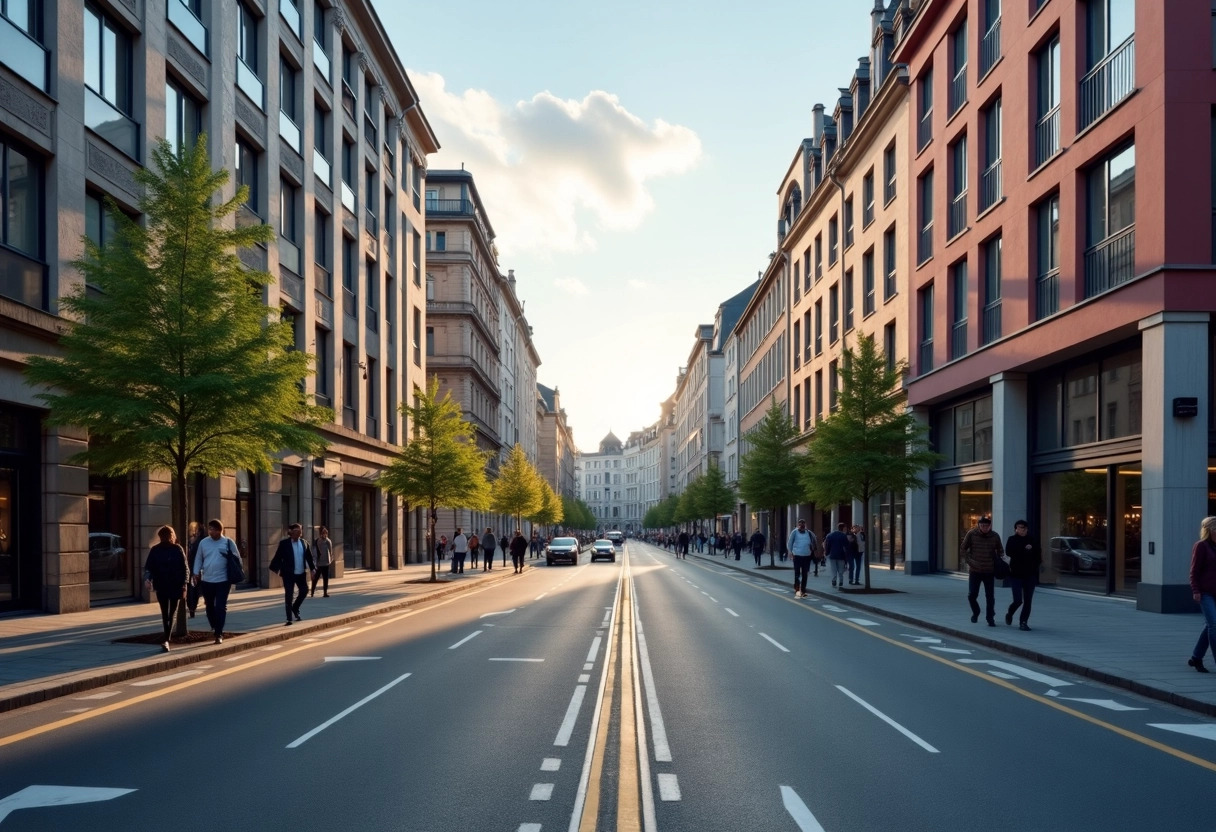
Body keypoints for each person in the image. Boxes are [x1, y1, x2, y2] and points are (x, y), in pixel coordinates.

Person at [192, 519, 239, 644]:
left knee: (221, 607)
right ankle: (214, 625)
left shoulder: (228, 543)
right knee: (209, 606)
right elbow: (198, 558)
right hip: (207, 580)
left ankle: (219, 633)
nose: (210, 531)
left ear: (220, 531)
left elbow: (237, 559)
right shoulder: (204, 543)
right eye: (209, 529)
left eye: (213, 529)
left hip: (223, 580)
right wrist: (196, 572)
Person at [144, 525, 189, 653]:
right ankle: (166, 639)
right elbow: (186, 568)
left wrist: (148, 579)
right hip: (171, 585)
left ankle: (166, 639)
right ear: (172, 536)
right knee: (170, 613)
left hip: (166, 585)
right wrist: (184, 584)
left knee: (166, 614)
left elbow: (149, 568)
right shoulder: (175, 549)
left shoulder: (159, 549)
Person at [270, 523, 316, 626]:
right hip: (288, 574)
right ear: (291, 532)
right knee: (289, 595)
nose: (299, 533)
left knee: (304, 591)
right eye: (297, 531)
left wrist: (313, 569)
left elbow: (309, 557)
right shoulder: (284, 544)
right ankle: (289, 618)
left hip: (301, 573)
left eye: (300, 531)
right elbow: (278, 557)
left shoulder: (304, 543)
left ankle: (295, 608)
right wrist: (277, 570)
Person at [962, 515, 1004, 626]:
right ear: (979, 525)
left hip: (989, 570)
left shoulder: (995, 536)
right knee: (972, 595)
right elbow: (963, 549)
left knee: (990, 596)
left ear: (990, 526)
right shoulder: (971, 534)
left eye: (986, 526)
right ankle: (976, 612)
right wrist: (969, 561)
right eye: (982, 525)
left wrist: (1003, 563)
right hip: (975, 570)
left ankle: (990, 618)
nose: (984, 528)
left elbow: (1000, 551)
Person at [1189, 516, 1216, 673]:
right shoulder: (1201, 546)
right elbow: (1194, 570)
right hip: (1205, 592)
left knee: (1210, 626)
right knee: (1213, 626)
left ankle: (1196, 657)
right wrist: (1196, 590)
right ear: (1210, 530)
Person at [1004, 520, 1041, 630]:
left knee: (1028, 600)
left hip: (1030, 574)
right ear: (1016, 529)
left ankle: (1023, 622)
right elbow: (1009, 552)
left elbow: (1037, 554)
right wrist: (1025, 550)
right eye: (1020, 527)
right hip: (1016, 574)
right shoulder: (1012, 539)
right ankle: (1010, 613)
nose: (1023, 529)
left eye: (1024, 528)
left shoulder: (1032, 539)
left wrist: (1035, 566)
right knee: (1018, 600)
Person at [787, 518, 818, 598]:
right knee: (797, 573)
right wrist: (790, 552)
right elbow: (790, 542)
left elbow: (814, 540)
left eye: (803, 524)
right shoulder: (794, 532)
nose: (802, 526)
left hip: (807, 556)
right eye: (800, 524)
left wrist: (814, 550)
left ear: (805, 525)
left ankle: (803, 589)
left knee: (805, 574)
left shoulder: (809, 533)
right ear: (798, 525)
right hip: (797, 555)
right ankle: (797, 588)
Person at [823, 523, 850, 590]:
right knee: (841, 569)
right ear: (843, 528)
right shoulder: (843, 536)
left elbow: (827, 545)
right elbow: (847, 546)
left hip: (832, 555)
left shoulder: (830, 535)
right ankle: (841, 581)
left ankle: (834, 580)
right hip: (841, 555)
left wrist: (826, 553)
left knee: (833, 569)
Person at [311, 526, 334, 598]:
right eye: (323, 533)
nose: (325, 534)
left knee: (325, 578)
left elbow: (330, 551)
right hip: (319, 563)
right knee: (316, 578)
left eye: (326, 533)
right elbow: (316, 551)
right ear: (321, 533)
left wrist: (330, 559)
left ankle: (325, 592)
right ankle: (312, 591)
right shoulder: (318, 541)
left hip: (326, 563)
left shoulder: (328, 541)